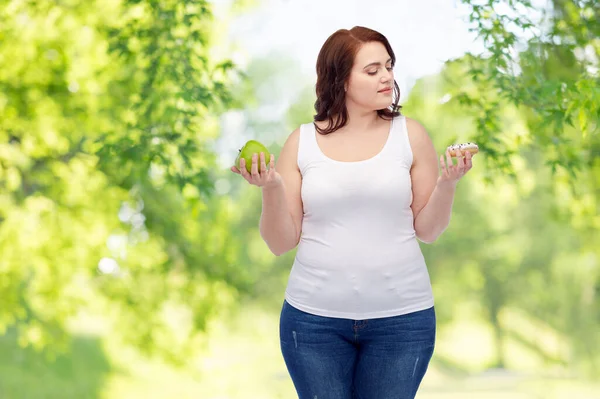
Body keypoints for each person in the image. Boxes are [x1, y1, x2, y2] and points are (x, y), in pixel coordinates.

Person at [231, 26, 474, 399]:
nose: (387, 77)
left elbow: (428, 229)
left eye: (389, 66)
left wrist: (448, 184)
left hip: (403, 322)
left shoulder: (411, 135)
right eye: (372, 69)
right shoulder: (301, 142)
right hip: (312, 325)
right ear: (341, 79)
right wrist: (271, 188)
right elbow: (280, 242)